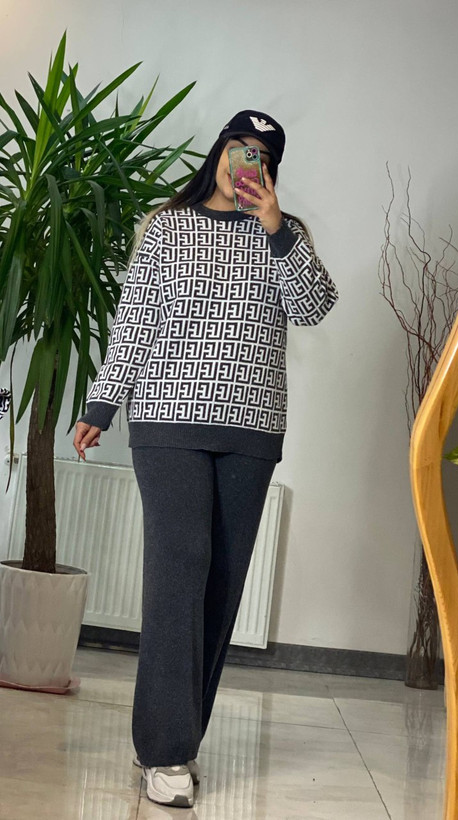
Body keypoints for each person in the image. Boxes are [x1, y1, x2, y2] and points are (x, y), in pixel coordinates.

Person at [73, 109, 339, 808]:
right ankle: (165, 752)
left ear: (270, 169)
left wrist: (277, 230)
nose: (243, 161)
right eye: (236, 147)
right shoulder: (166, 227)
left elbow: (314, 308)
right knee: (180, 569)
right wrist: (102, 404)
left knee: (221, 584)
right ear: (218, 152)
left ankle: (177, 740)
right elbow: (135, 320)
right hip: (168, 420)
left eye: (259, 155)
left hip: (252, 428)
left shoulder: (286, 234)